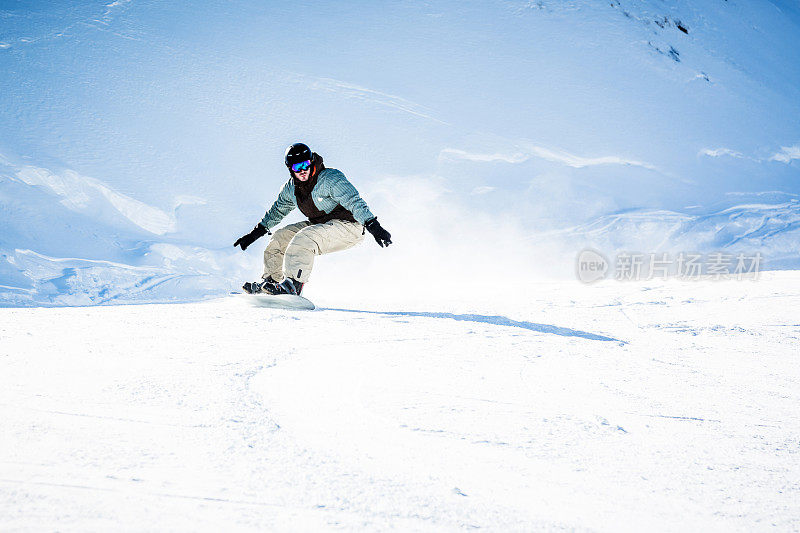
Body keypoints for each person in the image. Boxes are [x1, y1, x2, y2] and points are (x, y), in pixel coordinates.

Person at [234, 142, 392, 296]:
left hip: (350, 227)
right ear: (290, 169)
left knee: (304, 238)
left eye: (305, 165)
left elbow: (354, 201)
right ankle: (271, 282)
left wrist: (373, 225)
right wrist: (255, 233)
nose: (303, 171)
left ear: (311, 162)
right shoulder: (291, 188)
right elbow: (277, 211)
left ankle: (292, 286)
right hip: (321, 225)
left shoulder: (330, 179)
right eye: (297, 167)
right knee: (280, 238)